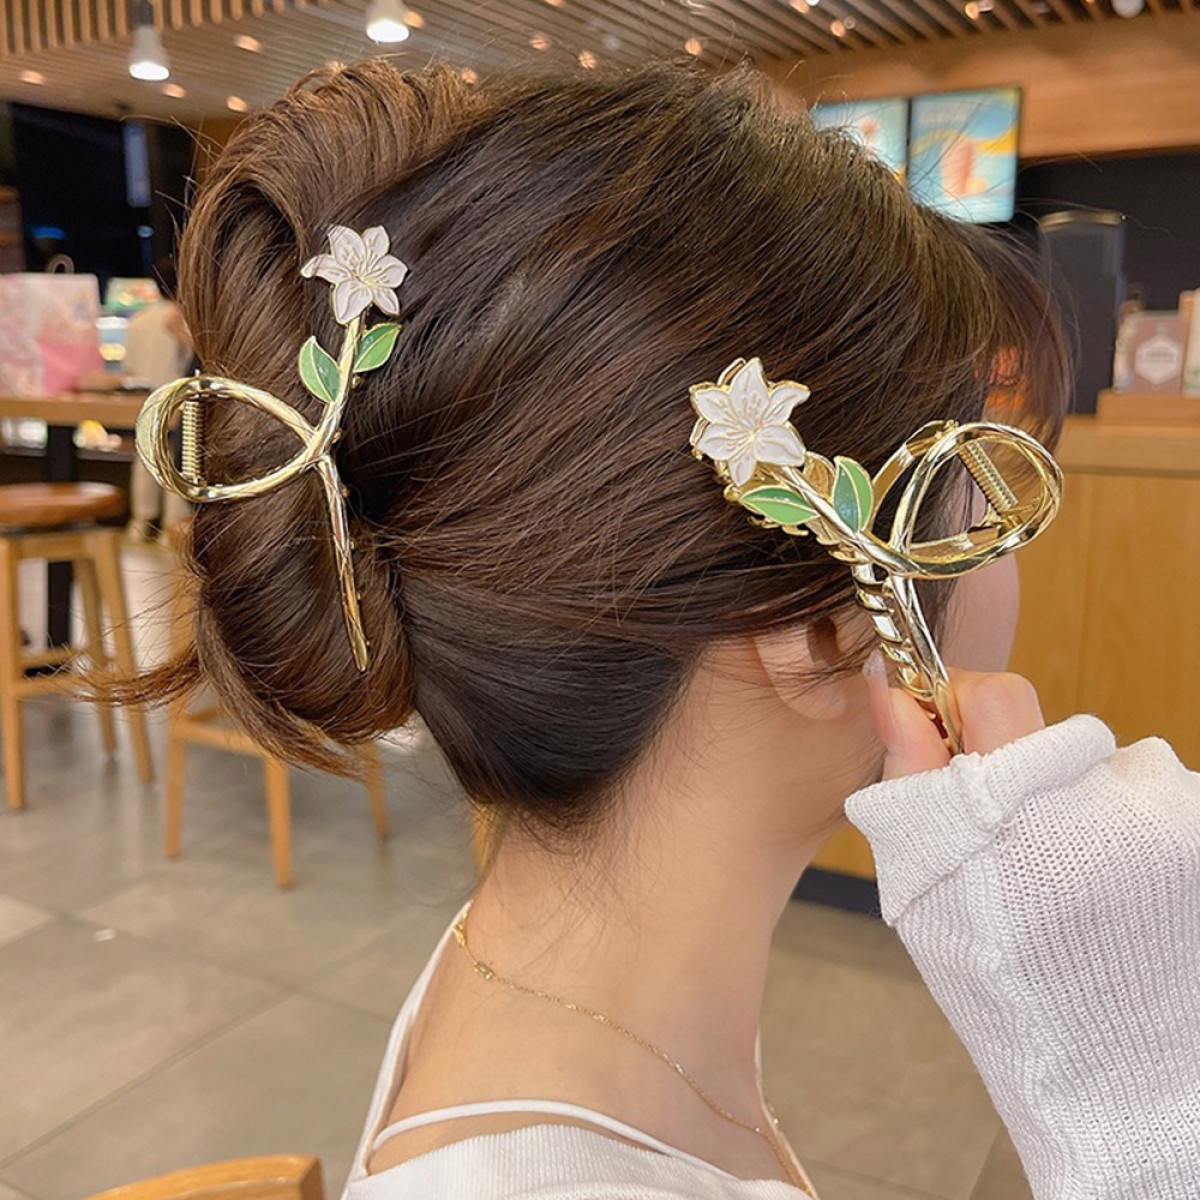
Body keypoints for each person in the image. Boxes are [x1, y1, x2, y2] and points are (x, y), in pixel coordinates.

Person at [124, 61, 1200, 1197]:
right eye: (978, 466)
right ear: (824, 630)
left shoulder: (544, 977)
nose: (1008, 540)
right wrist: (1151, 1105)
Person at [122, 256, 193, 542]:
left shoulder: (138, 320)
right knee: (175, 461)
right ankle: (171, 526)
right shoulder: (183, 320)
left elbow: (129, 367)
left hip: (144, 397)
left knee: (144, 458)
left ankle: (140, 522)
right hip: (177, 399)